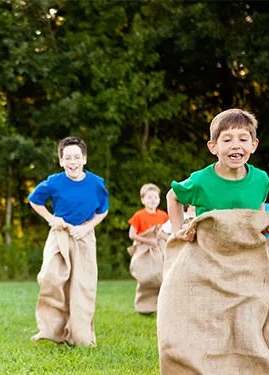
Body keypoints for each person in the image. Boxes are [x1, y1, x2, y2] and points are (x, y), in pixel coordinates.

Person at [159, 108, 269, 375]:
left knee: (250, 315)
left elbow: (257, 214)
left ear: (253, 145)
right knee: (209, 320)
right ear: (213, 147)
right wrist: (178, 227)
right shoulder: (201, 180)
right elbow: (173, 196)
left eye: (243, 139)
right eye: (227, 140)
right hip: (207, 259)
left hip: (245, 261)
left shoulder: (261, 180)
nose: (236, 145)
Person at [28, 136, 109, 346]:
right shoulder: (54, 182)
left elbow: (103, 210)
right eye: (67, 158)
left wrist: (87, 227)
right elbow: (34, 200)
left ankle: (80, 335)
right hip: (60, 235)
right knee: (50, 277)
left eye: (76, 157)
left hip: (83, 236)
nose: (72, 162)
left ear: (84, 159)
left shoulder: (96, 183)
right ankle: (51, 330)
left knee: (82, 286)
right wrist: (51, 219)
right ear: (61, 161)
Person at [126, 184, 169, 314]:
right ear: (143, 200)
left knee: (161, 277)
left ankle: (159, 306)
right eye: (149, 197)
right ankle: (143, 306)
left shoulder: (163, 215)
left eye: (155, 197)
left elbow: (167, 232)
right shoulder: (139, 216)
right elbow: (132, 235)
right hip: (144, 251)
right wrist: (148, 240)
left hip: (159, 250)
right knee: (146, 278)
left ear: (159, 200)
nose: (152, 200)